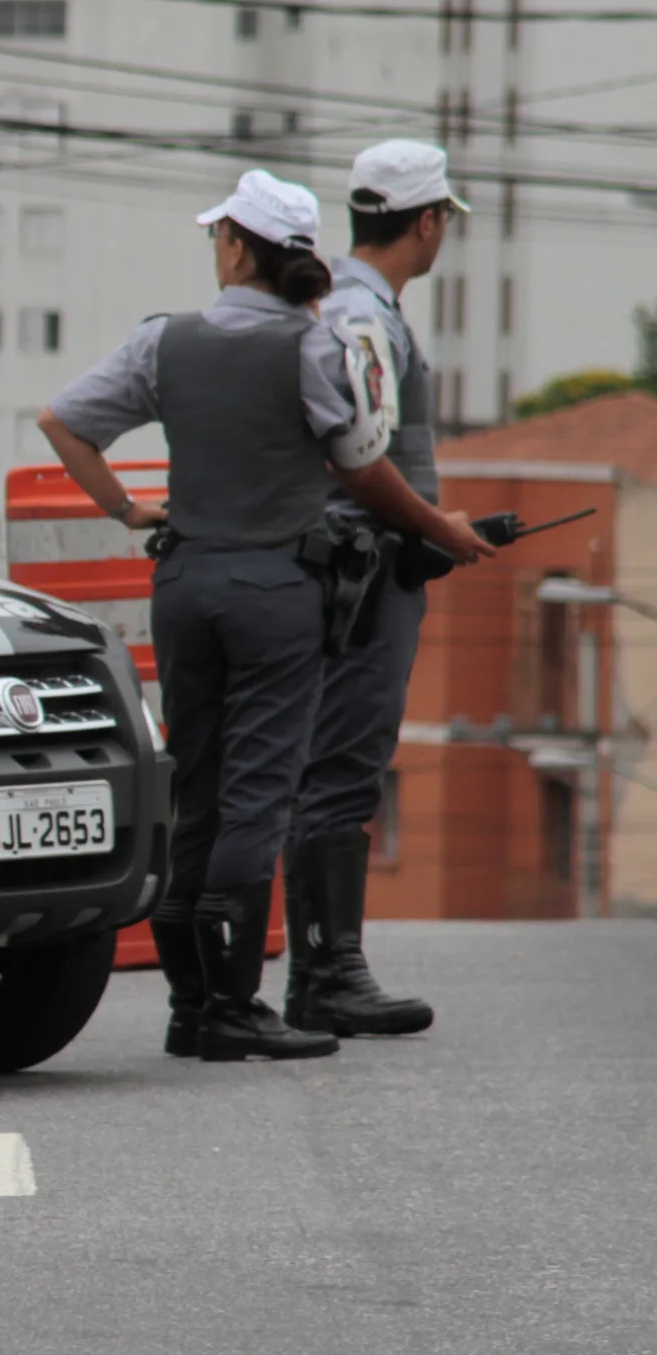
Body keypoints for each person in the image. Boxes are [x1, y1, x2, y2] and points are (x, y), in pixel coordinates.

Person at [36, 170, 491, 1062]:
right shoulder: (315, 348)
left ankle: (191, 1007)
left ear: (238, 248)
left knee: (194, 786)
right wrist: (439, 528)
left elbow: (63, 422)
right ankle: (236, 1004)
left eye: (219, 236)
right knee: (259, 792)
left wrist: (129, 513)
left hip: (185, 584)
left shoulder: (164, 342)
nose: (215, 247)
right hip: (276, 591)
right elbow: (362, 466)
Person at [282, 142, 468, 1038]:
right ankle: (328, 971)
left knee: (333, 763)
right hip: (361, 572)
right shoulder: (365, 315)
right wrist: (440, 528)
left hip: (363, 562)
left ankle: (323, 968)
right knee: (342, 764)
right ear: (427, 221)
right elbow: (357, 459)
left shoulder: (357, 304)